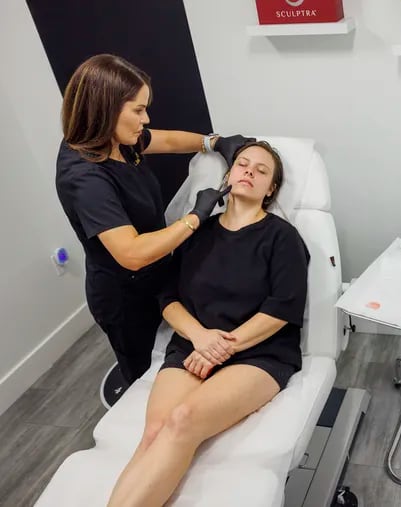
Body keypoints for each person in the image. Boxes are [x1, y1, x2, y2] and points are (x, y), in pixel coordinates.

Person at [107, 140, 309, 506]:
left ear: (271, 189)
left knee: (183, 419)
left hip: (258, 354)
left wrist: (220, 348)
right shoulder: (196, 231)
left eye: (261, 171)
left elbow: (282, 310)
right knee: (154, 432)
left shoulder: (283, 238)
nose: (248, 171)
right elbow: (168, 300)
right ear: (228, 176)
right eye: (242, 164)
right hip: (192, 344)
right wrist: (200, 337)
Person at [56, 54, 252, 396]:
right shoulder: (86, 178)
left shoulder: (118, 141)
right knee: (146, 376)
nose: (145, 120)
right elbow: (130, 253)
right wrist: (196, 217)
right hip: (124, 296)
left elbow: (168, 141)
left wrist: (213, 142)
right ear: (104, 109)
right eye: (137, 110)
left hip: (157, 276)